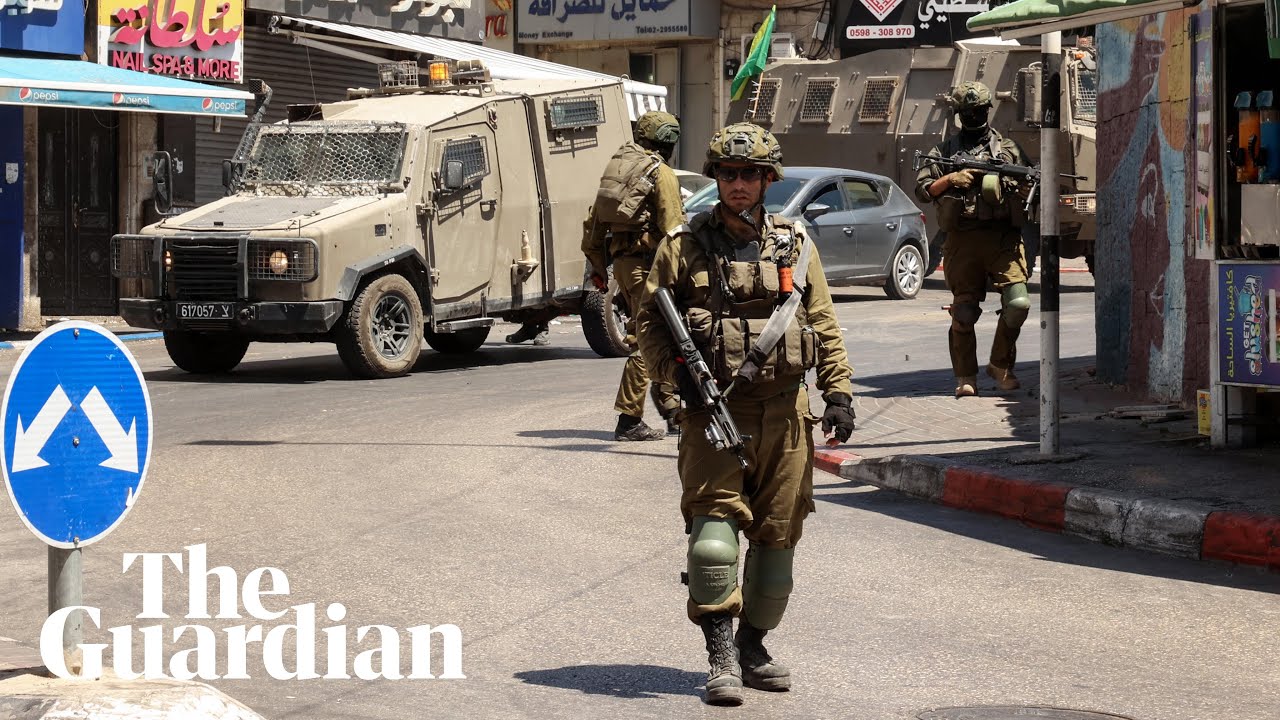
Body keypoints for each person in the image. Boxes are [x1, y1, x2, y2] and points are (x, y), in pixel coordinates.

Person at [635, 123, 856, 706]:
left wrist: (838, 393)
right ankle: (720, 655)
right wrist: (675, 376)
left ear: (767, 179)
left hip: (786, 414)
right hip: (714, 413)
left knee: (777, 545)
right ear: (717, 178)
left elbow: (823, 322)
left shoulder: (795, 244)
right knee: (713, 542)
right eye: (729, 174)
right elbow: (649, 323)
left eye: (750, 174)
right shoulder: (682, 245)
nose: (739, 184)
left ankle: (753, 646)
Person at [915, 81, 1034, 398]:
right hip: (963, 240)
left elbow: (1032, 185)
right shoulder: (944, 152)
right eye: (968, 112)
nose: (974, 116)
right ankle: (965, 377)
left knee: (1018, 304)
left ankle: (1000, 365)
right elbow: (923, 190)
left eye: (979, 110)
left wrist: (1021, 186)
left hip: (1003, 239)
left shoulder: (1008, 149)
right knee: (964, 312)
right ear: (959, 114)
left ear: (987, 111)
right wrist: (950, 178)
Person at [582, 110, 685, 442]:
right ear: (669, 141)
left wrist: (598, 266)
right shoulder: (660, 172)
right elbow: (673, 230)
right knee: (647, 339)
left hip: (624, 266)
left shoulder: (620, 169)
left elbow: (594, 224)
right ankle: (629, 420)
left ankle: (673, 410)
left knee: (664, 333)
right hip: (649, 266)